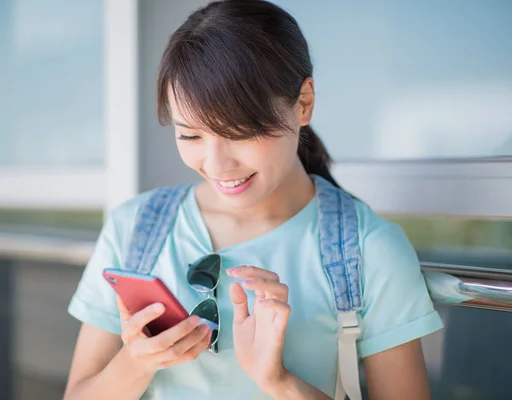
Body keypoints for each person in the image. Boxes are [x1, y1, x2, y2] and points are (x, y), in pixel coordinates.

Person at [63, 1, 443, 399]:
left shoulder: (370, 250)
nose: (217, 164)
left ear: (304, 103)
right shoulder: (134, 228)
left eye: (240, 131)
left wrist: (278, 382)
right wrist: (137, 362)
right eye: (190, 135)